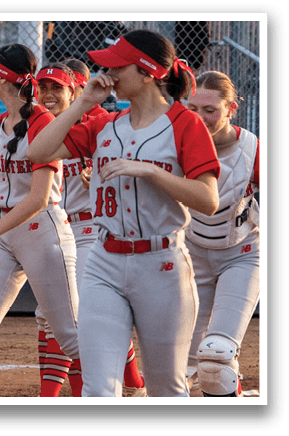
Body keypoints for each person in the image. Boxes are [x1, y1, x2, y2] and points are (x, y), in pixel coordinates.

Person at [26, 30, 220, 397]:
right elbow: (37, 152)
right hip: (104, 263)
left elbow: (208, 199)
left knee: (166, 388)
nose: (109, 72)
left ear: (147, 72)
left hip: (161, 264)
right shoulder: (104, 125)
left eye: (119, 65)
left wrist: (151, 171)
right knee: (98, 390)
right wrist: (82, 104)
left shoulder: (185, 123)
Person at [0, 43, 81, 397]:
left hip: (44, 233)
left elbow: (38, 198)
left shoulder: (43, 122)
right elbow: (5, 187)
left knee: (71, 336)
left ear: (4, 78)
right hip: (9, 233)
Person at [31, 62, 147, 397]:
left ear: (76, 91)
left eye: (59, 88)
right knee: (49, 314)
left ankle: (64, 393)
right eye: (45, 88)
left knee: (74, 314)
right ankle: (131, 381)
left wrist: (95, 176)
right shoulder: (40, 127)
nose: (50, 95)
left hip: (87, 231)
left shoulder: (98, 126)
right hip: (51, 227)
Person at [184, 71, 259, 397]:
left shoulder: (253, 150)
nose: (200, 118)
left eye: (211, 110)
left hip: (241, 254)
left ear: (232, 108)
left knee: (216, 355)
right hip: (190, 256)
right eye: (193, 109)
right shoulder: (174, 145)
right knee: (176, 367)